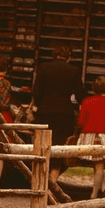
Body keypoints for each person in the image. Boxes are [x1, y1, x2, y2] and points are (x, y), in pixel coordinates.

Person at [33, 45, 81, 182]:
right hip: (64, 114)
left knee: (43, 146)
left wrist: (39, 105)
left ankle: (41, 179)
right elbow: (79, 94)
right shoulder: (74, 70)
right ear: (68, 57)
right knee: (59, 148)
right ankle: (52, 181)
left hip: (45, 112)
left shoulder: (43, 67)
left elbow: (36, 92)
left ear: (54, 55)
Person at [75, 76, 105, 198]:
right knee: (99, 163)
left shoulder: (86, 102)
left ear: (93, 88)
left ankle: (94, 194)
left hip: (89, 135)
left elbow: (80, 121)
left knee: (97, 164)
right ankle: (100, 191)